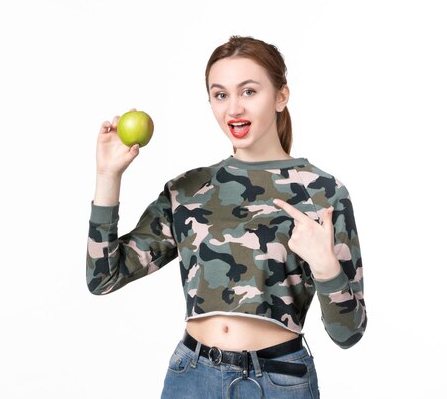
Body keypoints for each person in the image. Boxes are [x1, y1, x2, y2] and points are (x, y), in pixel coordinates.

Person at [86, 35, 367, 399]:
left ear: (281, 96)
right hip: (191, 377)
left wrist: (327, 268)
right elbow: (103, 277)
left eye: (249, 91)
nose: (234, 108)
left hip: (279, 381)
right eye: (221, 95)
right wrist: (108, 178)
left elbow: (349, 333)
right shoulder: (188, 190)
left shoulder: (323, 192)